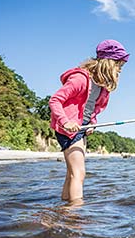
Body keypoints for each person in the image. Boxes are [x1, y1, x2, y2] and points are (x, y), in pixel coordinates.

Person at [49, 39, 129, 202]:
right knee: (79, 173)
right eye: (118, 65)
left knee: (72, 173)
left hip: (81, 129)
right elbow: (55, 100)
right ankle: (76, 215)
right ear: (108, 62)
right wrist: (65, 122)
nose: (120, 70)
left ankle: (65, 210)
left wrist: (92, 121)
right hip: (68, 129)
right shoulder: (80, 79)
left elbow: (91, 107)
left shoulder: (101, 86)